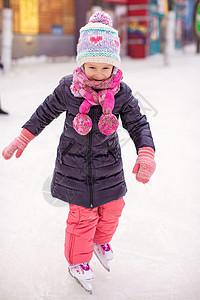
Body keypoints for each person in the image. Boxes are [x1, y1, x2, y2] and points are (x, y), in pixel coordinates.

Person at [2, 11, 156, 294]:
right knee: (82, 217)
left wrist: (146, 151)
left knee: (113, 209)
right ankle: (78, 262)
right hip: (73, 168)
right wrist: (23, 138)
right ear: (81, 64)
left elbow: (137, 122)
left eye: (105, 68)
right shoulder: (68, 90)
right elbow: (44, 113)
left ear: (115, 67)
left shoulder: (120, 93)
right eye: (91, 67)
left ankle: (100, 241)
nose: (98, 75)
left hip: (109, 166)